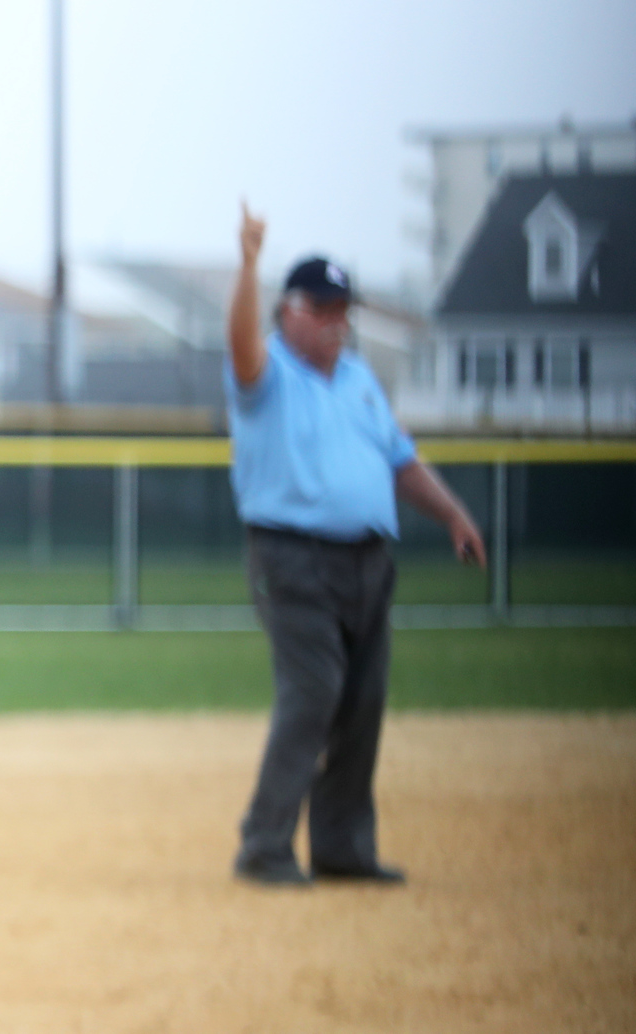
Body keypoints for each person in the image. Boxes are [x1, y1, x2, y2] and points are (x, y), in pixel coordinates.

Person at [226, 202, 486, 887]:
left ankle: (343, 845)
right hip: (291, 558)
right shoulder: (268, 375)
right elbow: (241, 346)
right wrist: (249, 263)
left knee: (362, 701)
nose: (340, 320)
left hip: (368, 559)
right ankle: (265, 843)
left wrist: (454, 515)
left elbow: (401, 460)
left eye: (345, 308)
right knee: (315, 690)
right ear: (293, 311)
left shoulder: (360, 381)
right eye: (327, 307)